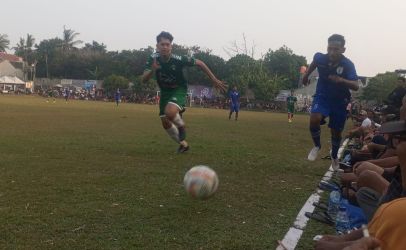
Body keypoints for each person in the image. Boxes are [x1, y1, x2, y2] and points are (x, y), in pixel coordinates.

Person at [142, 31, 227, 153]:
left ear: (171, 46)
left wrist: (213, 79)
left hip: (178, 89)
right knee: (165, 123)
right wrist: (152, 71)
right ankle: (183, 145)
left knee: (170, 112)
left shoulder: (179, 59)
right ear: (157, 46)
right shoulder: (153, 59)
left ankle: (181, 125)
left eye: (167, 44)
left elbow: (200, 63)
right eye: (162, 44)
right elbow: (144, 79)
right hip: (165, 92)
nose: (165, 47)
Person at [302, 34, 359, 170]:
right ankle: (317, 146)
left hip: (340, 101)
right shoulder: (320, 57)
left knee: (336, 132)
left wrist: (342, 80)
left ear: (343, 49)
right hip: (323, 96)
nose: (332, 52)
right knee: (314, 118)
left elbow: (356, 85)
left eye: (336, 49)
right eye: (330, 48)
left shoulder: (348, 64)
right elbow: (314, 63)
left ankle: (334, 155)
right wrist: (306, 75)